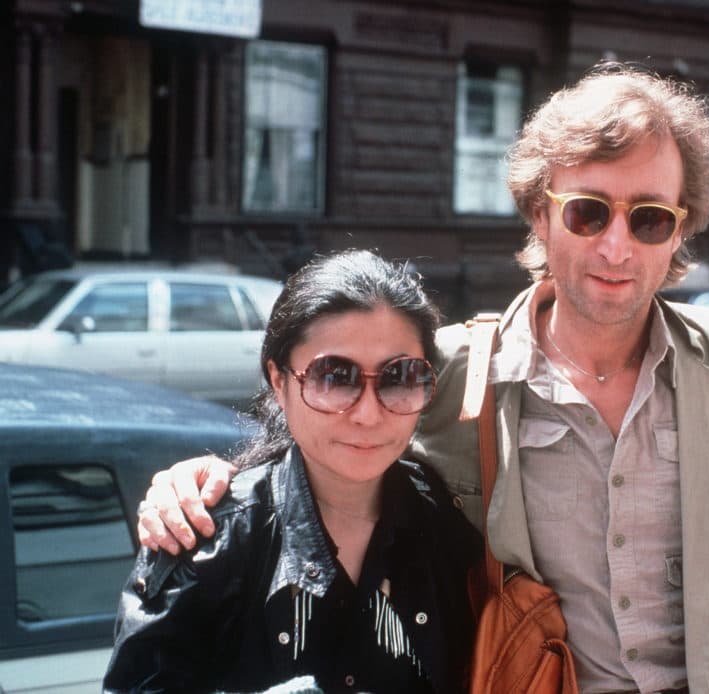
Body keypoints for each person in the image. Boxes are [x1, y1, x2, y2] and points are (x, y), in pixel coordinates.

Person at [137, 62, 709, 694]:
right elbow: (335, 443)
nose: (617, 247)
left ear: (679, 231)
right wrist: (205, 483)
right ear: (540, 211)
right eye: (588, 212)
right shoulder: (452, 372)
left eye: (649, 218)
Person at [105, 250, 481, 693]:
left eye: (399, 376)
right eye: (334, 376)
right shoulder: (205, 539)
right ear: (279, 381)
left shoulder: (444, 525)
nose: (367, 414)